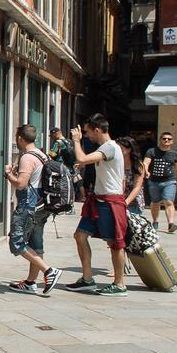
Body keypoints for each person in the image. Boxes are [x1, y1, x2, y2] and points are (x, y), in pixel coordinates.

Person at [65, 114, 128, 295]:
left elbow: (82, 160)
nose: (86, 135)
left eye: (87, 132)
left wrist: (76, 141)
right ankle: (87, 279)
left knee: (115, 244)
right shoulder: (105, 148)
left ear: (97, 130)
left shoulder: (109, 147)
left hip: (109, 203)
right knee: (80, 236)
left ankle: (119, 284)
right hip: (98, 201)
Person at [5, 125, 63, 295]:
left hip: (28, 206)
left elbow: (21, 184)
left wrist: (8, 174)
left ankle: (49, 271)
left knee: (16, 242)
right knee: (36, 244)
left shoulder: (27, 158)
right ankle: (31, 282)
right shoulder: (42, 154)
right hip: (42, 204)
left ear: (20, 138)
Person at [143, 132, 177, 233]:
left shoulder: (174, 154)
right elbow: (146, 162)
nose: (166, 140)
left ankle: (171, 224)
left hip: (169, 181)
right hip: (154, 181)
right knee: (155, 202)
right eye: (164, 138)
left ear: (172, 141)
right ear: (160, 140)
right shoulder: (151, 151)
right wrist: (146, 171)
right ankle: (155, 221)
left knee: (168, 201)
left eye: (169, 139)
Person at [118, 136, 146, 216]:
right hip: (118, 200)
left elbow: (137, 187)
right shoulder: (116, 163)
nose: (117, 151)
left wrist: (125, 203)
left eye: (120, 148)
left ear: (129, 149)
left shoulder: (138, 165)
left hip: (133, 202)